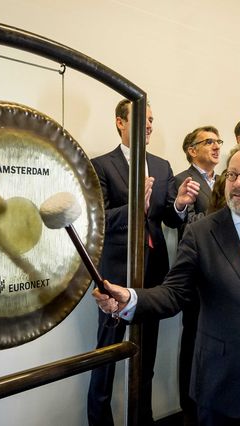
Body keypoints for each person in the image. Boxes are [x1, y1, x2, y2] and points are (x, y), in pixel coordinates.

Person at [94, 139, 240, 425]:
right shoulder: (202, 233)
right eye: (232, 174)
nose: (237, 184)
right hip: (222, 390)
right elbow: (173, 293)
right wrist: (131, 299)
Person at [88, 99, 199, 426]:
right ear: (120, 123)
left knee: (145, 358)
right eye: (141, 119)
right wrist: (135, 206)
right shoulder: (101, 165)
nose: (149, 125)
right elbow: (99, 219)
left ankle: (142, 419)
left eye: (151, 119)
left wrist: (178, 205)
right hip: (115, 276)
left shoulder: (162, 165)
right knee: (105, 358)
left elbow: (168, 217)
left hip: (152, 275)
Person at [174, 125, 223, 424]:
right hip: (196, 272)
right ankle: (188, 407)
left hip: (224, 273)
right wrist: (180, 206)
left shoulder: (227, 180)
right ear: (192, 150)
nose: (216, 146)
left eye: (218, 142)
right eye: (209, 142)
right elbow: (174, 217)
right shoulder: (181, 180)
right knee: (193, 338)